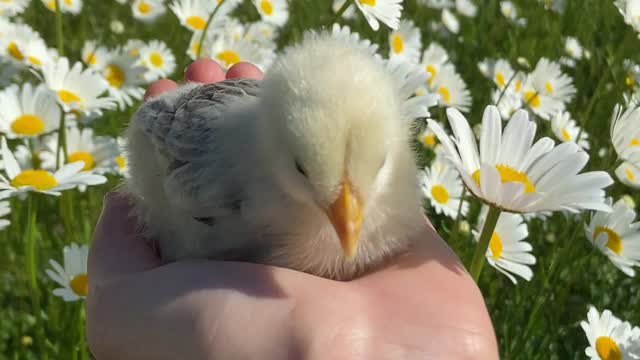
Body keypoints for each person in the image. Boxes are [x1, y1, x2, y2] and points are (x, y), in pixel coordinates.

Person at [86, 59, 499, 359]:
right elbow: (152, 124)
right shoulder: (235, 181)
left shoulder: (390, 176)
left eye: (375, 169)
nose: (349, 222)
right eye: (304, 169)